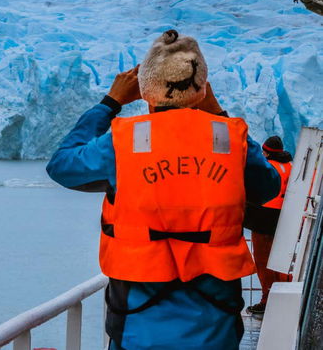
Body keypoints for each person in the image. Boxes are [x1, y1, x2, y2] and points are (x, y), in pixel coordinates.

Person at [46, 30, 281, 349]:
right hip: (215, 324)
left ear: (145, 90)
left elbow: (61, 166)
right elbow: (267, 187)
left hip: (138, 322)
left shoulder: (123, 142)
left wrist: (109, 103)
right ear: (201, 88)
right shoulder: (227, 139)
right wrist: (217, 113)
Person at [243, 135, 293, 315]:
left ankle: (268, 298)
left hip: (263, 219)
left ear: (266, 152)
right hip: (285, 219)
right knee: (283, 260)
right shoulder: (290, 166)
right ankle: (285, 296)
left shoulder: (268, 168)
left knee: (264, 260)